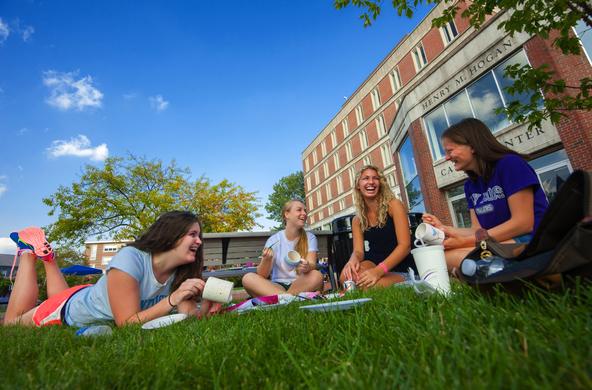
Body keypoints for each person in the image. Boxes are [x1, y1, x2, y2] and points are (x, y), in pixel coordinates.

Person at [4, 211, 219, 327]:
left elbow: (188, 319)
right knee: (11, 324)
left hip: (88, 294)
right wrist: (173, 299)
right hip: (69, 310)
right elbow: (126, 323)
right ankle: (27, 253)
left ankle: (49, 259)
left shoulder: (182, 273)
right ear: (171, 234)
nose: (199, 241)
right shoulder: (131, 258)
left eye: (199, 236)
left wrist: (207, 305)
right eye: (192, 234)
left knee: (60, 296)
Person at [422, 118, 549, 270]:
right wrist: (444, 228)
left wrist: (466, 242)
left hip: (532, 240)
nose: (447, 157)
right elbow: (477, 230)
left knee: (454, 257)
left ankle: (499, 270)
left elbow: (523, 223)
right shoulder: (470, 186)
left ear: (473, 146)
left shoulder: (510, 164)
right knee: (442, 255)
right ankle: (493, 269)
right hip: (500, 242)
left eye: (450, 151)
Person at [340, 165, 414, 289]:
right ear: (358, 185)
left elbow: (405, 246)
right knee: (346, 277)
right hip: (374, 263)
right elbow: (358, 251)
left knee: (368, 286)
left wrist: (377, 272)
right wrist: (353, 259)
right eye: (366, 178)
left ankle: (410, 283)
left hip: (401, 267)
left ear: (380, 183)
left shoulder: (394, 205)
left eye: (375, 178)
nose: (371, 182)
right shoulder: (357, 220)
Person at [242, 199, 323, 297]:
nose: (304, 213)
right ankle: (288, 298)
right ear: (287, 214)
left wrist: (307, 266)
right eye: (299, 210)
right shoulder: (274, 240)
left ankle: (282, 298)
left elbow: (312, 264)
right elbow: (263, 275)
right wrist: (266, 260)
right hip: (277, 286)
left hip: (300, 283)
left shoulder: (310, 237)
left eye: (305, 210)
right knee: (248, 278)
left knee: (316, 276)